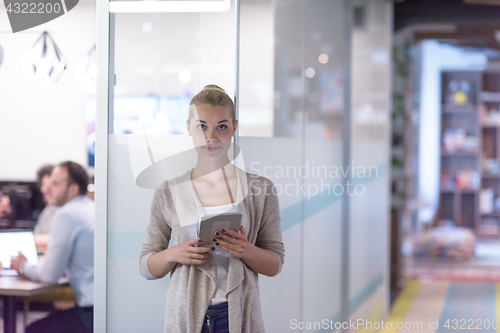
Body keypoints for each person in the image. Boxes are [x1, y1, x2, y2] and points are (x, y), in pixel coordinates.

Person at [140, 85, 285, 333]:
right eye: (201, 126)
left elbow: (275, 263)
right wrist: (175, 253)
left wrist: (245, 250)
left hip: (238, 315)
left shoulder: (260, 190)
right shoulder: (168, 191)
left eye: (221, 126)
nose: (211, 137)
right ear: (188, 127)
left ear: (234, 128)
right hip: (185, 315)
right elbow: (147, 266)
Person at [11, 161, 94, 333]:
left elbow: (49, 275)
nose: (48, 189)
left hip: (90, 315)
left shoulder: (66, 214)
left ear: (73, 189)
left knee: (34, 330)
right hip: (102, 311)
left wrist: (23, 265)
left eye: (55, 184)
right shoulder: (91, 208)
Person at [34, 164, 58, 253]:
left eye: (48, 185)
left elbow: (57, 240)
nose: (44, 189)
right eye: (42, 185)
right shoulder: (47, 211)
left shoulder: (66, 212)